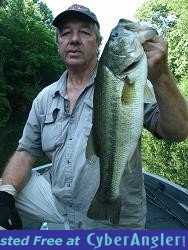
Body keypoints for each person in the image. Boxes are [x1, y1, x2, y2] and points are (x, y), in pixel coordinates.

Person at [0, 4, 188, 230]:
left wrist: (162, 77)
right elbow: (27, 151)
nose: (75, 39)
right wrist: (7, 194)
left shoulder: (130, 82)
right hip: (56, 203)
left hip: (112, 218)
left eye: (85, 32)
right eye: (66, 33)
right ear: (58, 42)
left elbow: (178, 132)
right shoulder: (45, 98)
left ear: (99, 43)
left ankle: (110, 201)